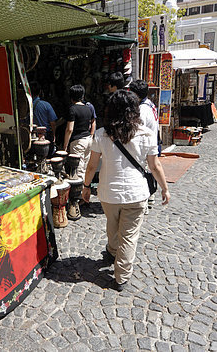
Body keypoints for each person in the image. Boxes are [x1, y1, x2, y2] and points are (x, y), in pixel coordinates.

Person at [81, 90, 169, 291]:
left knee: (112, 224)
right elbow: (155, 166)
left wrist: (86, 187)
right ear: (134, 111)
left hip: (108, 193)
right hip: (136, 194)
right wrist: (164, 188)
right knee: (129, 236)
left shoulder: (102, 134)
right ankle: (121, 276)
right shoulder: (147, 134)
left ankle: (112, 250)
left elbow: (91, 166)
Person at [128, 80, 159, 213]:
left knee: (143, 173)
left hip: (146, 146)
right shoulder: (149, 104)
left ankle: (144, 204)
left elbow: (139, 129)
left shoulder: (142, 110)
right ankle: (150, 198)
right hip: (151, 143)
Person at [63, 85, 95, 182]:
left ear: (71, 97)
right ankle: (86, 187)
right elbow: (91, 123)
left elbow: (69, 129)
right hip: (88, 140)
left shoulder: (72, 109)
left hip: (78, 142)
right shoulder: (88, 108)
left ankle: (80, 192)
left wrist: (65, 146)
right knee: (85, 166)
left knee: (79, 169)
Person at [31, 81, 58, 146]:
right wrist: (54, 135)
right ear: (40, 91)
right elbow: (53, 123)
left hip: (31, 136)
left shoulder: (25, 106)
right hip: (46, 136)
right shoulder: (46, 105)